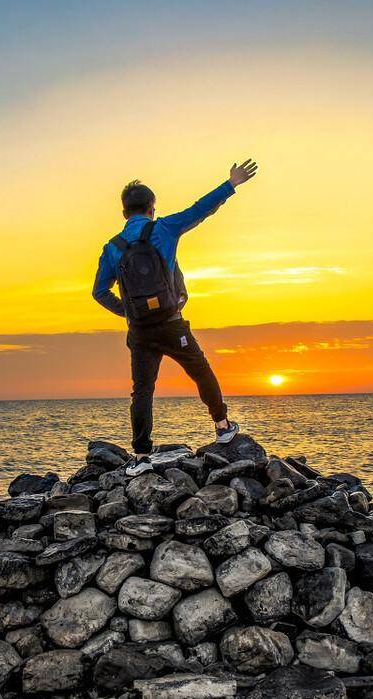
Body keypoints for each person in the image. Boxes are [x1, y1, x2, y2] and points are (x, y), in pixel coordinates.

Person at [92, 159, 259, 476]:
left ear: (124, 211)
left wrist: (127, 311)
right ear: (152, 207)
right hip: (171, 322)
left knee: (142, 391)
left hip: (140, 330)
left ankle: (141, 456)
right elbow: (200, 209)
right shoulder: (165, 228)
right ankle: (222, 425)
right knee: (200, 370)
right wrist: (231, 183)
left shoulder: (113, 247)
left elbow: (99, 292)